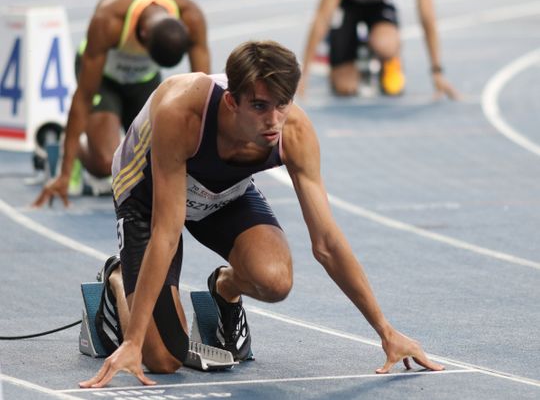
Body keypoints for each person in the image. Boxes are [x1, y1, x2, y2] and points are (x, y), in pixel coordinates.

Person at [79, 40, 444, 388]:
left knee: (274, 280)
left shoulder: (294, 132)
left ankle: (223, 288)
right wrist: (133, 341)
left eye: (282, 104)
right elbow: (167, 231)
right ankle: (118, 279)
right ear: (232, 101)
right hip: (149, 194)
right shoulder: (183, 113)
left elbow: (327, 243)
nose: (273, 120)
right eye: (259, 107)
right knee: (163, 359)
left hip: (224, 193)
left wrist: (385, 331)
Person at [33, 0, 210, 207]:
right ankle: (73, 146)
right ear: (143, 33)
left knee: (160, 159)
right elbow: (83, 98)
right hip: (104, 80)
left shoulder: (191, 18)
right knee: (106, 163)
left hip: (144, 80)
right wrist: (64, 174)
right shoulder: (108, 20)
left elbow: (203, 97)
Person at [298, 0, 459, 98]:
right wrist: (304, 74)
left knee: (385, 45)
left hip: (380, 4)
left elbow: (427, 16)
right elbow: (322, 18)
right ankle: (354, 55)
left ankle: (389, 60)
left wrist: (437, 71)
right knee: (344, 88)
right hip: (347, 4)